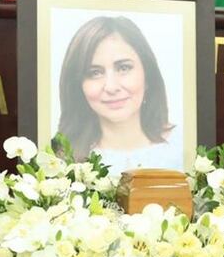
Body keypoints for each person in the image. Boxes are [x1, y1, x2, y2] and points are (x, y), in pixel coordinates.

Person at [55, 15, 182, 172]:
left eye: (123, 68)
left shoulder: (184, 145)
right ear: (78, 86)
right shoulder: (59, 158)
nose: (111, 87)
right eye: (95, 73)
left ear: (148, 74)